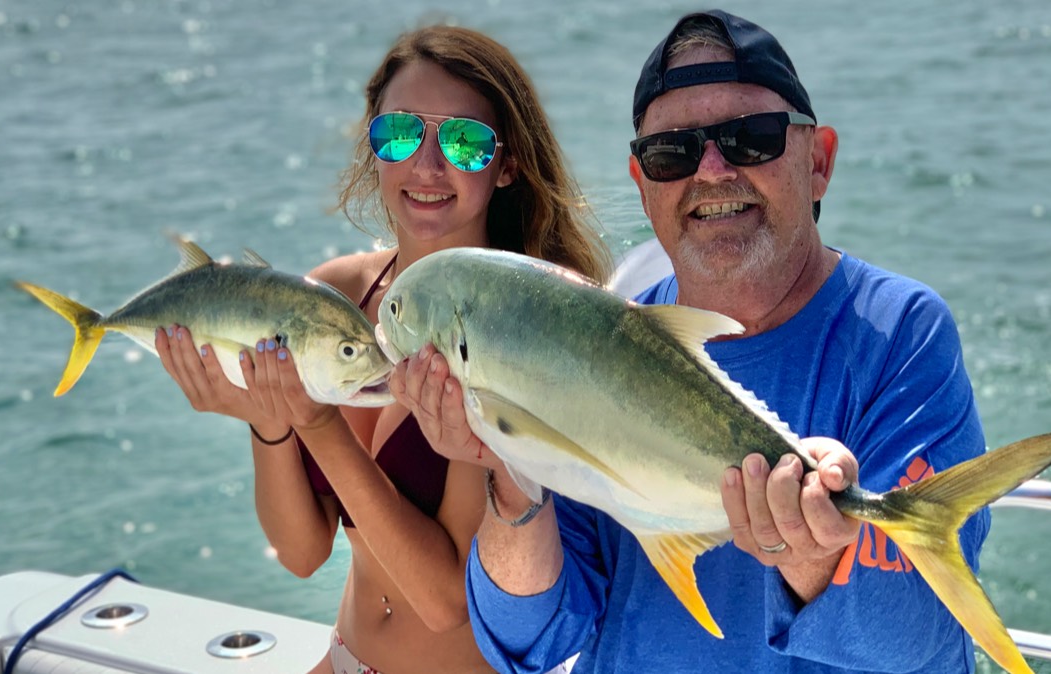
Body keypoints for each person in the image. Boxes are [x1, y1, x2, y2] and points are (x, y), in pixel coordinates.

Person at [394, 10, 990, 673]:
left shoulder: (898, 333)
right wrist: (508, 466)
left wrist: (814, 555)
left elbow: (918, 643)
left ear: (817, 162)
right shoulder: (600, 344)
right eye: (672, 152)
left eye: (750, 139)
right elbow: (529, 641)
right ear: (642, 182)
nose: (710, 171)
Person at [154, 25, 609, 674]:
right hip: (342, 657)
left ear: (507, 165)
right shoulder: (337, 296)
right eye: (400, 133)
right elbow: (302, 551)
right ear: (373, 146)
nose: (427, 165)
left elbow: (446, 598)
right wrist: (269, 420)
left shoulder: (510, 332)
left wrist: (315, 424)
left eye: (465, 142)